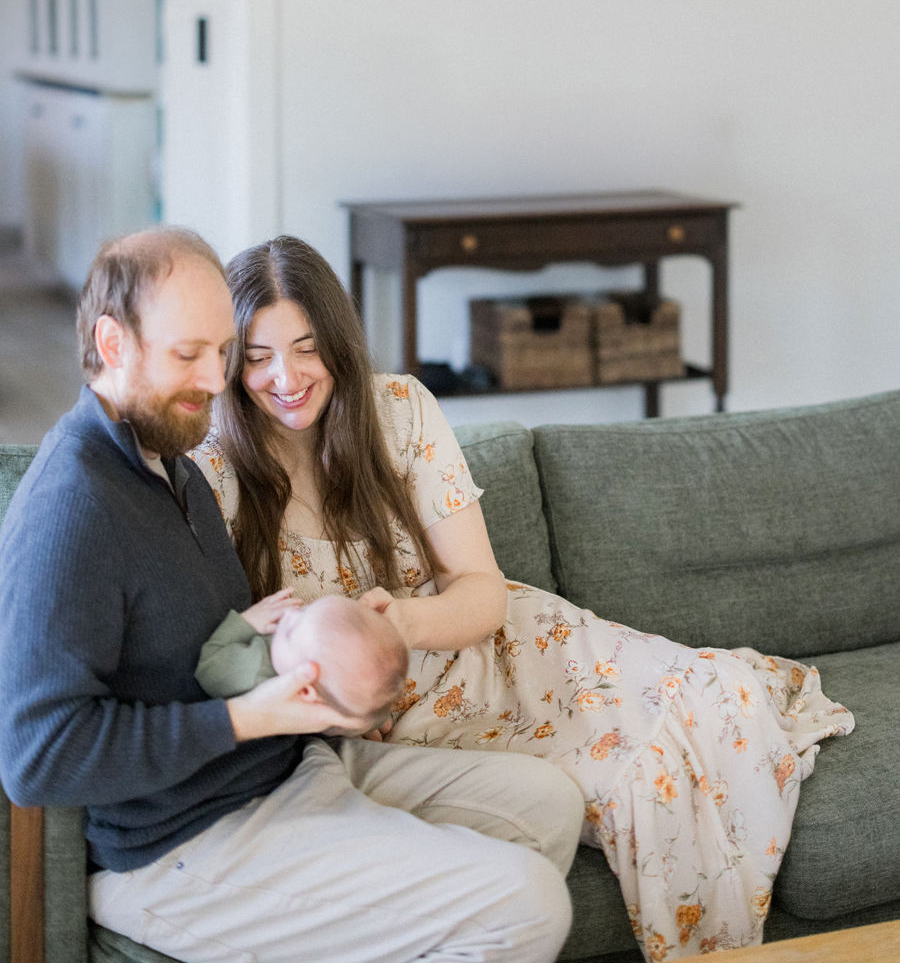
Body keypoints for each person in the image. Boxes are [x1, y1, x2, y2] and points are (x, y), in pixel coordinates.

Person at [192, 234, 856, 962]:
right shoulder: (212, 467)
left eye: (307, 348)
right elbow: (223, 659)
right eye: (257, 357)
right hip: (407, 715)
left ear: (341, 345)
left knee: (721, 700)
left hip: (510, 646)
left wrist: (404, 619)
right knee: (649, 778)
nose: (285, 377)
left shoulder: (400, 411)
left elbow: (482, 590)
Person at [0, 226, 585, 963]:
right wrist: (246, 718)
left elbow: (172, 650)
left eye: (221, 355)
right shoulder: (71, 507)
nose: (216, 383)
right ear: (112, 345)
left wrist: (249, 632)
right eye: (190, 356)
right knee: (525, 903)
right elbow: (38, 756)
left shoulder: (169, 464)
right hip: (181, 843)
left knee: (550, 805)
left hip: (287, 769)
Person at [196, 590, 409, 730]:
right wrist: (372, 722)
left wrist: (247, 622)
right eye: (306, 610)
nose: (290, 614)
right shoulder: (337, 703)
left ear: (305, 690)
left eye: (290, 632)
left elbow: (206, 667)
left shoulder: (249, 670)